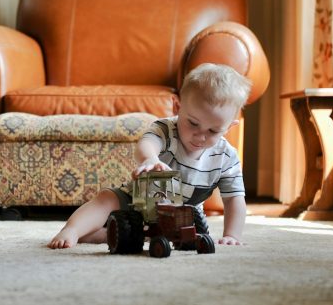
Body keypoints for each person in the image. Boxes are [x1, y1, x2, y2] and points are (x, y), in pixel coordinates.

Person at [48, 63, 252, 249]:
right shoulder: (166, 129)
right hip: (141, 197)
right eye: (193, 123)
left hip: (183, 212)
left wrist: (232, 234)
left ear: (229, 128)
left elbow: (234, 199)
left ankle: (111, 235)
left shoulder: (227, 157)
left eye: (213, 131)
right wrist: (151, 159)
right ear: (177, 108)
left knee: (189, 230)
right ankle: (72, 230)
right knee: (107, 198)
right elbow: (146, 144)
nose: (200, 135)